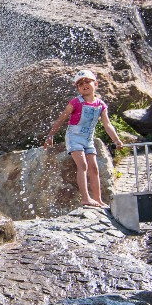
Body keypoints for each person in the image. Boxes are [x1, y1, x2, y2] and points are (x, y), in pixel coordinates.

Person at [43, 69, 128, 208]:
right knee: (82, 165)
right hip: (74, 137)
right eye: (80, 84)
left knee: (94, 168)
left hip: (88, 139)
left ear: (96, 84)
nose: (84, 85)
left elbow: (107, 124)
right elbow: (61, 119)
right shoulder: (75, 102)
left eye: (87, 81)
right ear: (77, 88)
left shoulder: (101, 105)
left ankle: (98, 199)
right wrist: (50, 135)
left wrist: (116, 140)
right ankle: (85, 198)